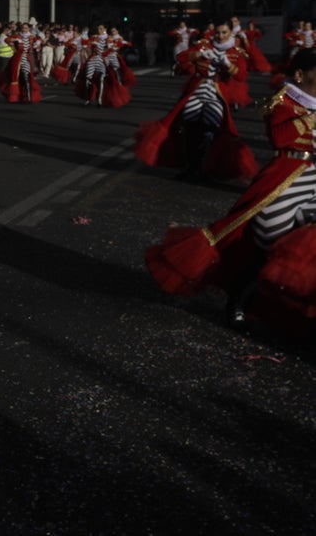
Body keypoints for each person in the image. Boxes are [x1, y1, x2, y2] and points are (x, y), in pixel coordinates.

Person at [147, 48, 316, 328]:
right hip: (286, 177)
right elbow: (279, 137)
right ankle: (239, 298)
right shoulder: (283, 100)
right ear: (300, 75)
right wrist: (310, 118)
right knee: (266, 247)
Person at [134, 21, 258, 182]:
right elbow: (181, 58)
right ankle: (190, 167)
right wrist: (199, 55)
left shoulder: (236, 53)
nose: (220, 36)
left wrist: (227, 64)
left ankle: (203, 166)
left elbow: (241, 76)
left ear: (230, 33)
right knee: (189, 129)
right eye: (218, 33)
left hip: (216, 95)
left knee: (211, 130)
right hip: (196, 91)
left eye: (224, 32)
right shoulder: (204, 45)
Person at [0, 22, 42, 104]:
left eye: (26, 28)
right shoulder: (17, 36)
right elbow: (6, 40)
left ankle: (28, 97)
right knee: (15, 77)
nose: (24, 30)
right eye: (23, 28)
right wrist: (14, 40)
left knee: (26, 76)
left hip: (26, 59)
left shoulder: (31, 37)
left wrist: (37, 44)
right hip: (17, 60)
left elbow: (39, 39)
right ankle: (15, 96)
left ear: (29, 29)